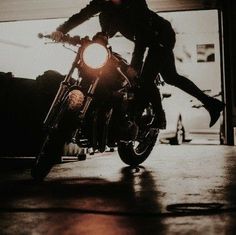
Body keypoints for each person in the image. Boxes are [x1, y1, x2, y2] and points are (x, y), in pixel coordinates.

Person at [51, 0, 224, 129]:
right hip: (146, 39)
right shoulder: (103, 5)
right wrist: (61, 30)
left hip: (160, 36)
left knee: (144, 79)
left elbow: (141, 37)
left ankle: (159, 117)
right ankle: (212, 104)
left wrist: (135, 66)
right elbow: (82, 15)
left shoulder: (135, 3)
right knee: (172, 77)